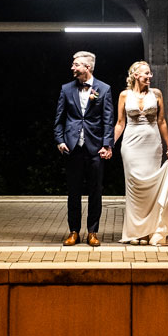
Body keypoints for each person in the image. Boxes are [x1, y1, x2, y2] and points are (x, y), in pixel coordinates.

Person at [113, 60, 168, 246]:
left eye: (150, 73)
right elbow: (120, 123)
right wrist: (109, 144)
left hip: (152, 145)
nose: (150, 76)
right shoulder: (124, 95)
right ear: (136, 75)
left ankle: (148, 232)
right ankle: (134, 232)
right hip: (131, 144)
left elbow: (162, 122)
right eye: (146, 74)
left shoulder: (156, 94)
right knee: (134, 187)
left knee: (151, 188)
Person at [53, 50, 114, 246]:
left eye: (76, 64)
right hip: (73, 148)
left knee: (95, 192)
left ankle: (92, 232)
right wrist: (60, 140)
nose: (72, 67)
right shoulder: (66, 89)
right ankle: (73, 231)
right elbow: (59, 119)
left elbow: (108, 119)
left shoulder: (103, 89)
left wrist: (107, 144)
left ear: (87, 67)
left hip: (95, 148)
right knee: (73, 192)